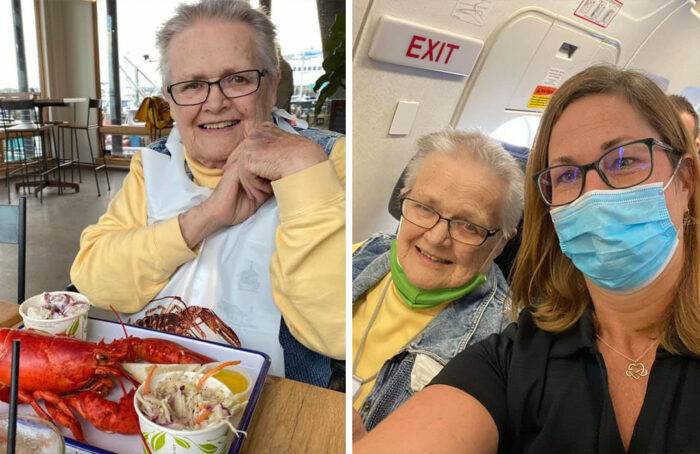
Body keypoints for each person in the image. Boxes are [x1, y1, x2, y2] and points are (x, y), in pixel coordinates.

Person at [354, 64, 700, 453]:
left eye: (623, 162)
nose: (592, 195)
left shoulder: (487, 325)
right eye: (567, 174)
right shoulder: (516, 355)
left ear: (685, 180)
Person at [70, 0, 345, 387]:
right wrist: (206, 217)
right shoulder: (153, 165)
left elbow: (336, 333)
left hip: (276, 407)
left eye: (238, 79)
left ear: (273, 80)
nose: (214, 104)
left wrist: (303, 173)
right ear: (169, 97)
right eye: (192, 85)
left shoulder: (331, 160)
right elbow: (95, 281)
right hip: (150, 396)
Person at [352, 130, 524, 436]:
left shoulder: (506, 347)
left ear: (500, 244)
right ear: (404, 198)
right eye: (424, 208)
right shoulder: (362, 253)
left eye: (468, 226)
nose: (435, 237)